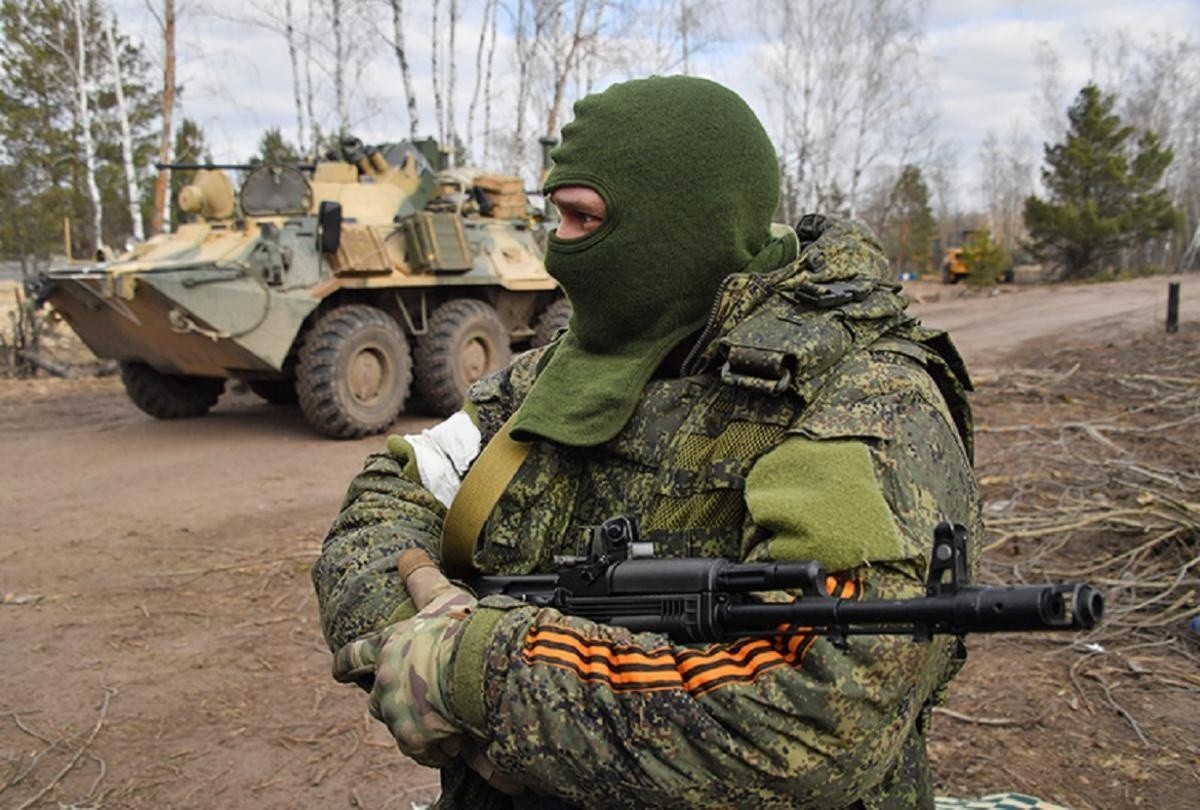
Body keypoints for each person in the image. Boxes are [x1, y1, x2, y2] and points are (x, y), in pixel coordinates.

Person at [312, 75, 981, 809]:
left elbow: (821, 714)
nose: (557, 248)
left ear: (679, 223)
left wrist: (478, 675)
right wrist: (410, 638)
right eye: (555, 215)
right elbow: (388, 497)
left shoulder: (860, 398)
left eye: (584, 218)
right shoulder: (560, 371)